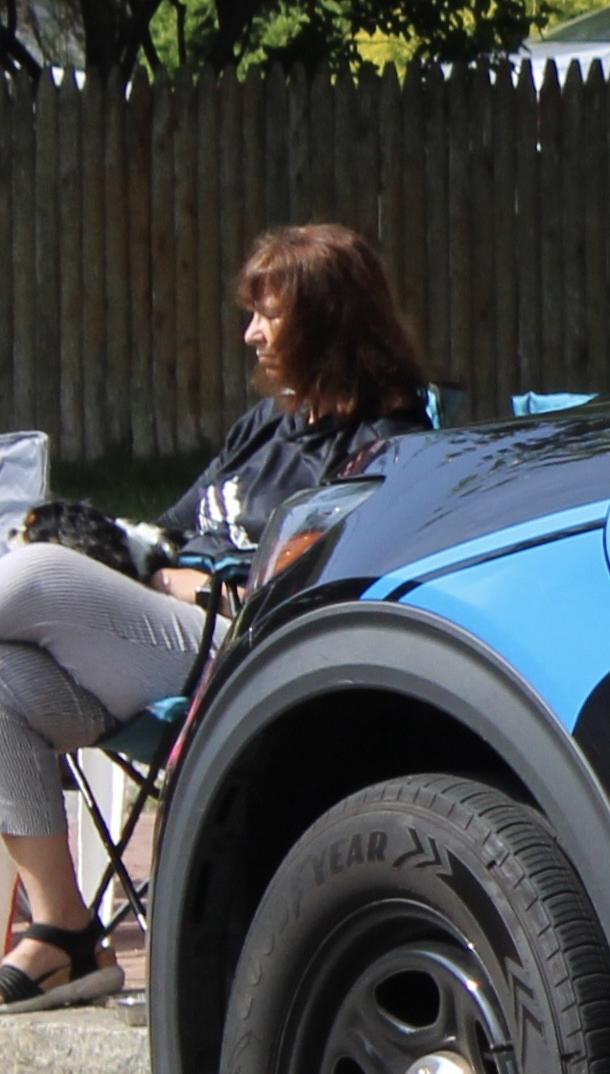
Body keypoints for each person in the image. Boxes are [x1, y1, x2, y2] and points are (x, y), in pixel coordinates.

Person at [0, 224, 435, 1005]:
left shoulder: (385, 445)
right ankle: (65, 930)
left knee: (31, 573)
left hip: (242, 657)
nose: (251, 334)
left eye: (270, 315)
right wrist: (157, 568)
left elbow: (331, 592)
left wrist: (204, 589)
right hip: (156, 640)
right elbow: (166, 534)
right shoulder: (264, 427)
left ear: (329, 319)